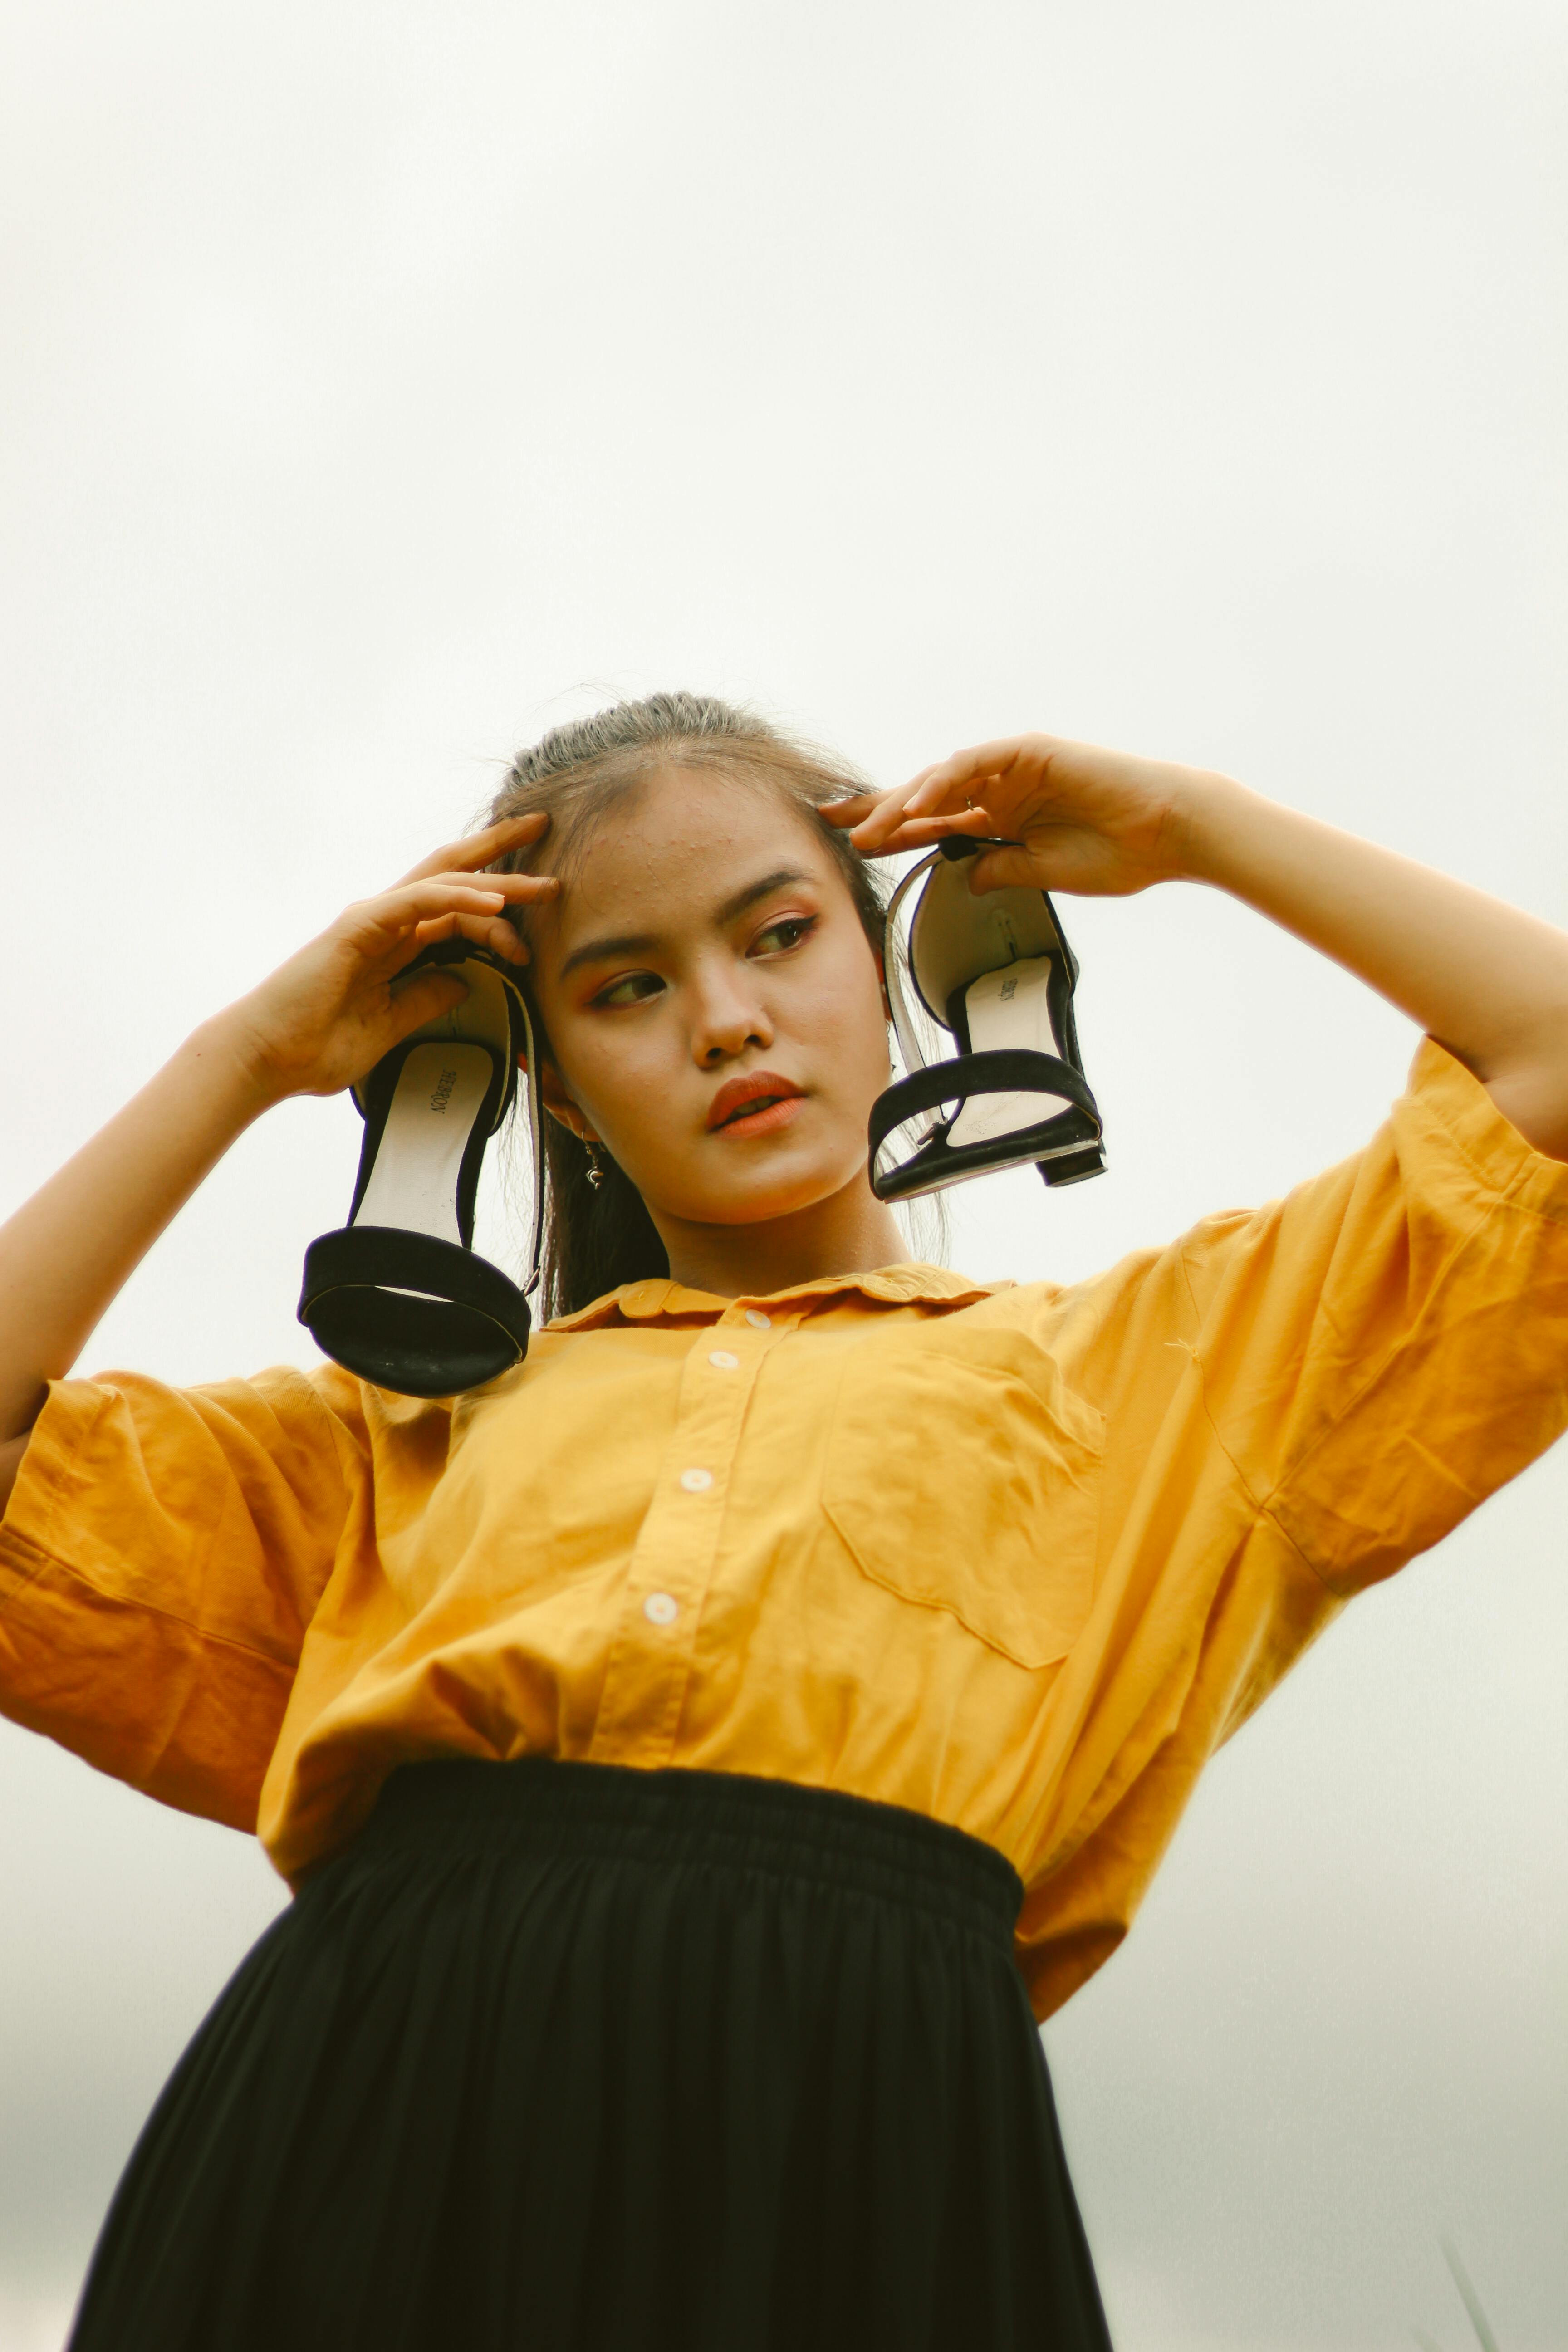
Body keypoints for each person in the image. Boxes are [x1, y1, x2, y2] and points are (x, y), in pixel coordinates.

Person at [2, 692, 1566, 2352]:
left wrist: (1194, 824)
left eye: (779, 934)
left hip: (868, 2136)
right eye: (628, 987)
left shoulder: (1150, 1374)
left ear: (886, 981)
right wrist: (250, 1057)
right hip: (384, 2102)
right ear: (571, 1101)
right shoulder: (404, 1438)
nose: (727, 1022)